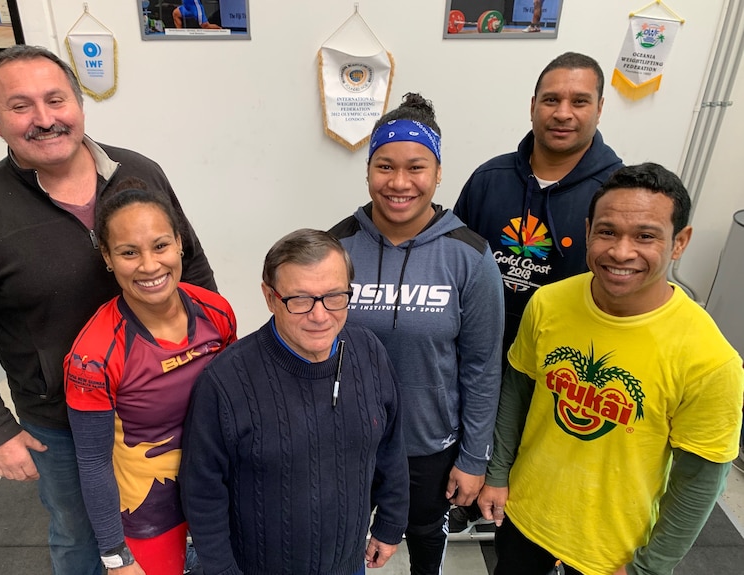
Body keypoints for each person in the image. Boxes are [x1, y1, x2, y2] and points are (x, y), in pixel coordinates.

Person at [0, 45, 217, 575]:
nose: (44, 119)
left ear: (79, 104)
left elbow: (192, 270)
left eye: (56, 99)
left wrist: (212, 371)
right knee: (82, 540)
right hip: (62, 422)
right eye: (20, 106)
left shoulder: (139, 172)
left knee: (176, 514)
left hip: (167, 403)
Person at [477, 163, 744, 575]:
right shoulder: (548, 303)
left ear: (679, 242)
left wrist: (647, 568)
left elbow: (699, 481)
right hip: (525, 515)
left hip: (614, 553)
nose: (621, 251)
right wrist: (497, 474)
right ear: (588, 231)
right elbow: (517, 392)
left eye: (645, 236)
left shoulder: (711, 360)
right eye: (607, 232)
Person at [329, 93, 504, 575]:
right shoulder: (336, 245)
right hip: (347, 437)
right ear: (368, 171)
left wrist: (473, 456)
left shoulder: (469, 256)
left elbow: (483, 367)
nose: (399, 182)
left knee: (425, 534)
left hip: (429, 443)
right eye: (385, 166)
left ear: (439, 172)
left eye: (416, 167)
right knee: (341, 535)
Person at [452, 51, 623, 532]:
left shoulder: (615, 190)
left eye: (579, 100)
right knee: (484, 479)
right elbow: (456, 266)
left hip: (568, 372)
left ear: (599, 108)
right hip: (485, 361)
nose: (563, 112)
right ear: (532, 106)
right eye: (551, 99)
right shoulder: (490, 181)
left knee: (545, 500)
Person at [180, 229, 409, 575]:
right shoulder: (225, 381)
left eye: (334, 296)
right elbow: (202, 492)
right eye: (299, 299)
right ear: (270, 298)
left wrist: (390, 524)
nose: (319, 316)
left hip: (349, 565)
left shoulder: (370, 352)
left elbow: (391, 446)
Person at [64, 186, 236, 575]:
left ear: (179, 244)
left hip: (217, 487)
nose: (149, 265)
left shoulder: (217, 312)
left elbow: (236, 404)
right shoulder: (93, 356)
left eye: (160, 246)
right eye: (129, 252)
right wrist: (115, 555)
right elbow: (92, 461)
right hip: (148, 505)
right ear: (107, 258)